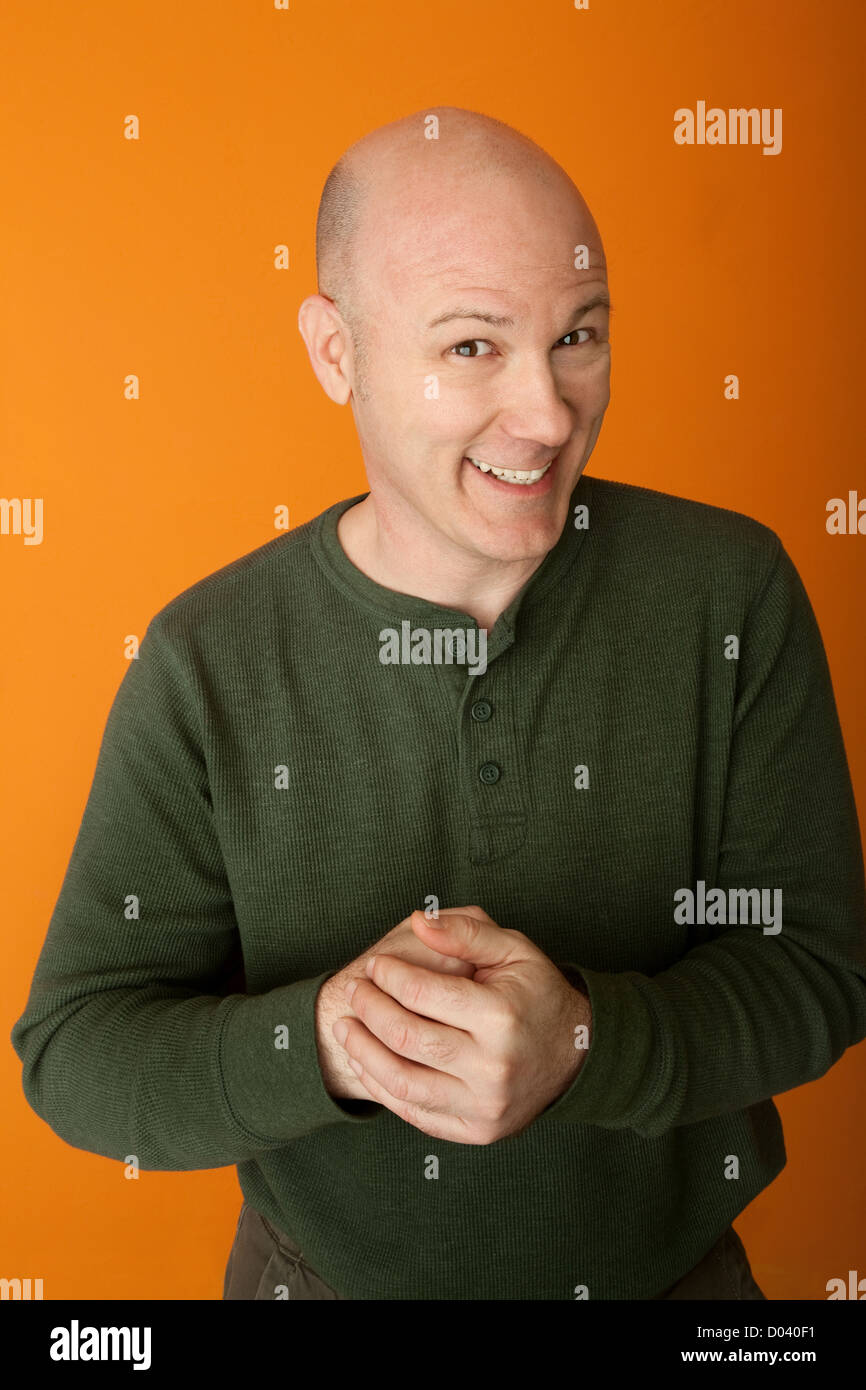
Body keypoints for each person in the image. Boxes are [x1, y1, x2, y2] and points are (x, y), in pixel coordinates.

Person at [12, 106, 866, 1301]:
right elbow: (76, 1052)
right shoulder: (204, 658)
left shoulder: (731, 589)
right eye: (472, 347)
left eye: (577, 335)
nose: (547, 413)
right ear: (334, 351)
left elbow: (823, 969)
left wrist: (581, 1042)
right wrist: (328, 1042)